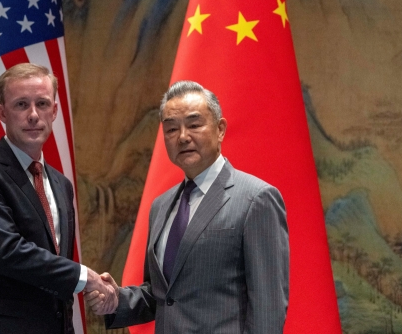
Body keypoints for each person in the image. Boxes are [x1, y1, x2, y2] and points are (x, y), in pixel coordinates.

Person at [88, 80, 289, 333]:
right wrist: (117, 300)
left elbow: (268, 309)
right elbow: (164, 295)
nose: (183, 137)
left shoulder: (256, 199)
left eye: (194, 125)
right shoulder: (160, 206)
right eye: (171, 129)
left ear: (220, 129)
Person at [0, 63, 116, 333]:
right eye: (21, 105)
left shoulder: (62, 185)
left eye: (42, 103)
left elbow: (55, 271)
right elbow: (8, 252)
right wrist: (86, 277)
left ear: (55, 111)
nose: (34, 115)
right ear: (2, 113)